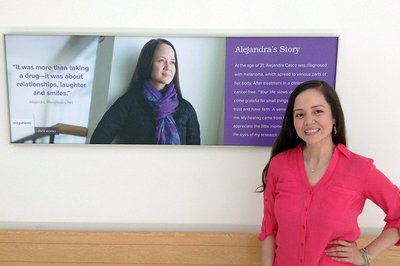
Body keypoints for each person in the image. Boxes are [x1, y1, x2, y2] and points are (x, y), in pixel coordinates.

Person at [258, 80, 400, 265]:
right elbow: (269, 229)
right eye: (300, 114)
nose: (309, 121)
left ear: (334, 117)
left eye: (318, 111)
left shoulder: (360, 169)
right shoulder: (279, 165)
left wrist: (366, 255)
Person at [90, 38, 200, 145]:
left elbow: (195, 156)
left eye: (172, 62)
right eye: (161, 60)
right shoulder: (129, 103)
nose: (168, 67)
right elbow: (98, 140)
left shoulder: (186, 109)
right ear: (148, 62)